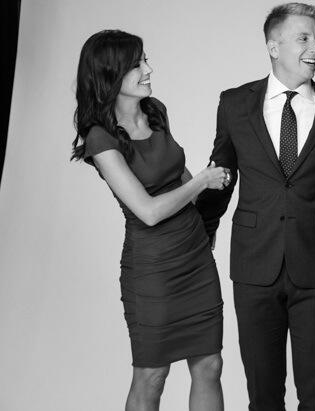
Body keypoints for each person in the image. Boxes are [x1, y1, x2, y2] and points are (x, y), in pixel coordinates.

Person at [195, 3, 315, 410]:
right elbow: (221, 175)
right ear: (273, 46)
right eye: (304, 38)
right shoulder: (235, 103)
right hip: (254, 265)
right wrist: (199, 237)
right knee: (263, 396)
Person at [71, 29, 230, 411]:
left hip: (195, 258)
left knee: (210, 365)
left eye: (145, 60)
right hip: (153, 269)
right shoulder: (100, 138)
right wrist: (203, 181)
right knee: (152, 375)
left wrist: (208, 199)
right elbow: (149, 211)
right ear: (110, 74)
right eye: (137, 64)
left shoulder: (155, 110)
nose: (147, 70)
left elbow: (177, 175)